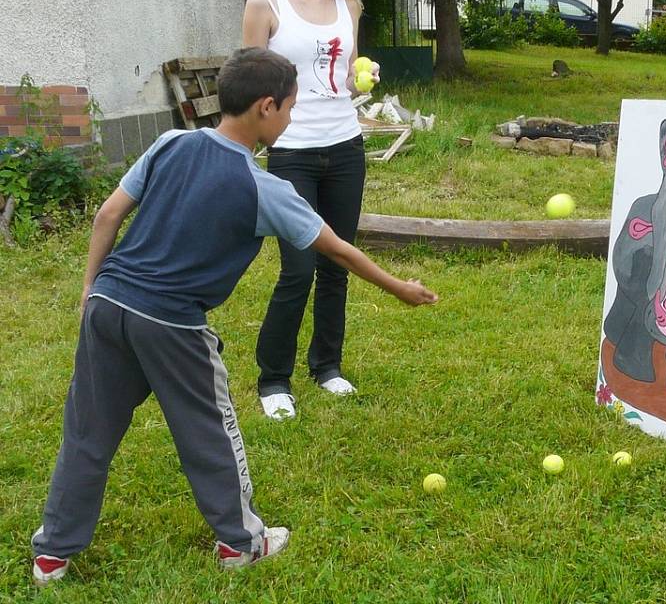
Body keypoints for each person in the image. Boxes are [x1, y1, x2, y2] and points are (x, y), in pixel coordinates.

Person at [30, 47, 437, 586]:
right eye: (290, 108)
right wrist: (398, 287)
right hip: (173, 323)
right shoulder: (266, 190)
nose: (290, 118)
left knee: (87, 433)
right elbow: (338, 249)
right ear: (267, 107)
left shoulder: (171, 142)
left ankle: (52, 554)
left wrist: (89, 291)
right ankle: (243, 543)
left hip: (108, 304)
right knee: (210, 434)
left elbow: (107, 215)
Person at [242, 0, 377, 420]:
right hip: (292, 155)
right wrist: (245, 157)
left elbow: (341, 79)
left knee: (337, 263)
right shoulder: (265, 4)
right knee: (297, 270)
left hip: (345, 147)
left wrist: (361, 77)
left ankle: (327, 366)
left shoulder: (349, 6)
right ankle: (274, 379)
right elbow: (248, 87)